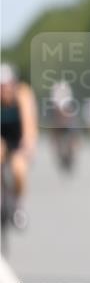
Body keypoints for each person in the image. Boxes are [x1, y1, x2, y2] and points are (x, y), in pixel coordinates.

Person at [0, 63, 38, 227]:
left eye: (8, 86)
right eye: (2, 87)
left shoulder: (23, 95)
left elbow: (29, 124)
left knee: (19, 169)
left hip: (18, 139)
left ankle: (18, 203)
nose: (5, 90)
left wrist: (28, 146)